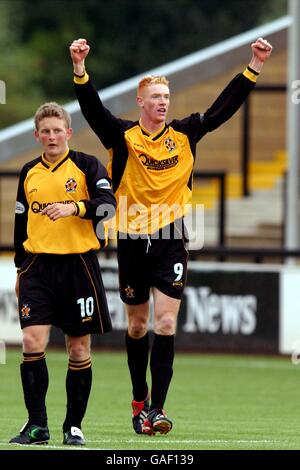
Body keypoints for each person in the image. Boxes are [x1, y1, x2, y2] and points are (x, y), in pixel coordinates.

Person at [69, 37, 272, 436]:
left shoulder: (185, 133)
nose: (163, 102)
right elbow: (93, 110)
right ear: (141, 102)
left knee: (165, 322)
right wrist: (80, 69)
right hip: (131, 238)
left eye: (167, 96)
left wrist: (255, 65)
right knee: (139, 325)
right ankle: (139, 399)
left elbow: (221, 110)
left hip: (172, 237)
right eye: (156, 97)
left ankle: (157, 409)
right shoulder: (123, 137)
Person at [10, 102, 116, 446]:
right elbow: (20, 222)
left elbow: (108, 203)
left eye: (58, 130)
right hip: (37, 267)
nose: (52, 136)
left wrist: (75, 207)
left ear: (68, 133)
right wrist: (18, 268)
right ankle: (37, 425)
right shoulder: (28, 172)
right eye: (46, 131)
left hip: (78, 266)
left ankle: (73, 425)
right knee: (31, 342)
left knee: (79, 349)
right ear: (37, 135)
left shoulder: (87, 165)